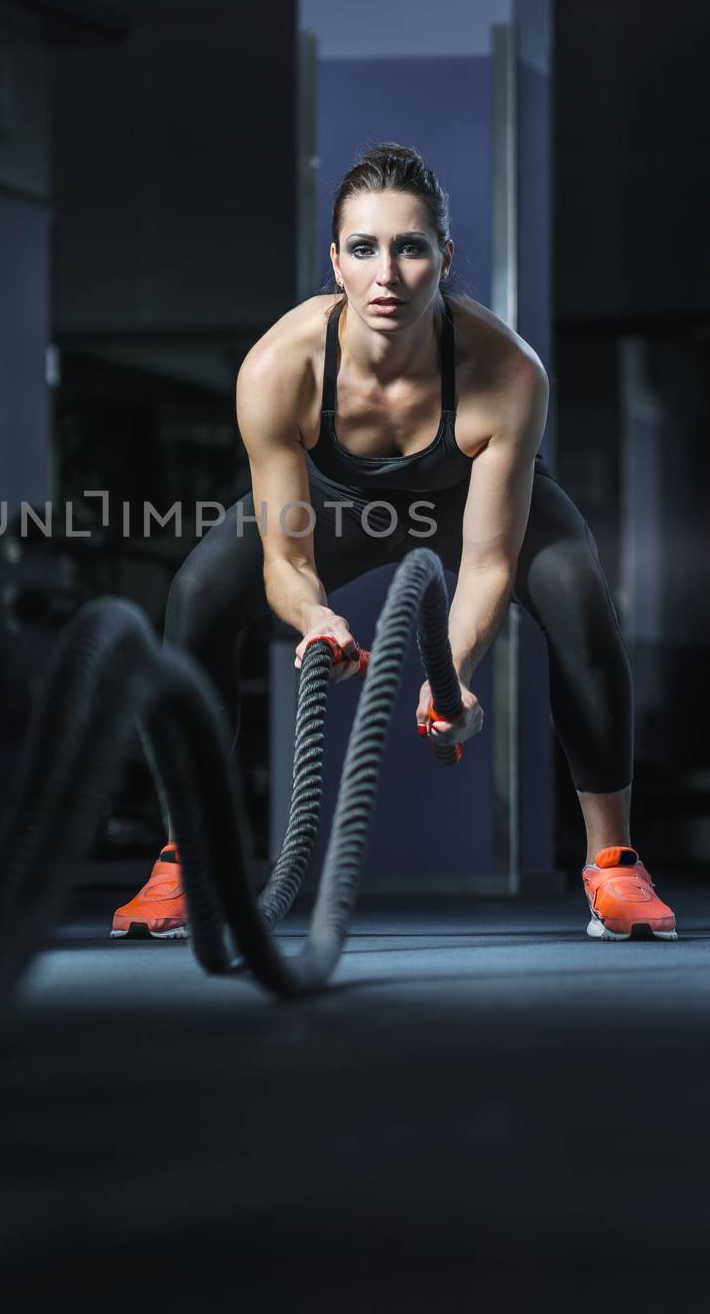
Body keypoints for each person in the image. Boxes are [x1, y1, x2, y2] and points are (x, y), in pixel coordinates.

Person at [111, 143, 676, 944]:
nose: (387, 274)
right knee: (197, 592)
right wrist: (313, 617)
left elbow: (485, 562)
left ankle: (612, 861)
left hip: (464, 494)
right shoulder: (279, 368)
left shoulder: (507, 372)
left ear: (441, 259)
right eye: (365, 249)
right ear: (334, 261)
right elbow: (284, 557)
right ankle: (183, 855)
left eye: (410, 248)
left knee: (576, 588)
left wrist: (452, 682)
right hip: (335, 504)